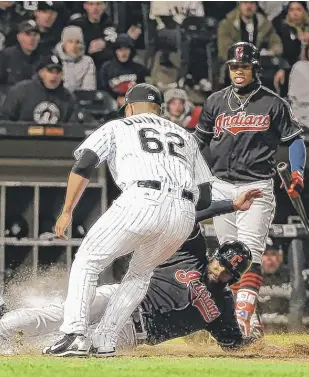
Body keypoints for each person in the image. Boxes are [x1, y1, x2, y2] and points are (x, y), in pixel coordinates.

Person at [42, 83, 213, 357]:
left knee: (87, 261)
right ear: (159, 107)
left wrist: (67, 211)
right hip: (183, 213)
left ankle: (74, 334)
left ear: (130, 107)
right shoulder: (185, 135)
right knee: (140, 273)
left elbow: (84, 164)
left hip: (142, 198)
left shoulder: (118, 126)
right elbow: (204, 196)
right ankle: (106, 340)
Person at [0, 240, 256, 355]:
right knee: (58, 314)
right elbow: (189, 213)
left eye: (230, 270)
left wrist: (248, 341)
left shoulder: (223, 307)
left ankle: (7, 351)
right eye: (222, 262)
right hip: (123, 296)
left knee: (79, 351)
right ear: (214, 255)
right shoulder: (191, 256)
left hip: (136, 331)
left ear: (235, 277)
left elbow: (233, 344)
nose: (222, 270)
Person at [193, 41, 306, 338]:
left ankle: (242, 318)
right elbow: (198, 143)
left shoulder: (272, 103)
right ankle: (250, 320)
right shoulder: (216, 101)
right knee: (227, 256)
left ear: (255, 69)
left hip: (256, 184)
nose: (238, 72)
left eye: (243, 67)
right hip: (221, 186)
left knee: (250, 252)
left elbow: (294, 139)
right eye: (234, 67)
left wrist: (297, 171)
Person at [0, 54, 77, 124]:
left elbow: (73, 127)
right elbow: (5, 121)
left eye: (58, 72)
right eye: (50, 71)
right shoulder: (20, 91)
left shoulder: (68, 97)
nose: (54, 76)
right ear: (41, 72)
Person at [53, 25, 97, 92]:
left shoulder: (87, 61)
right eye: (70, 41)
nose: (74, 46)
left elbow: (89, 89)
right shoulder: (54, 59)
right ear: (64, 43)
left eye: (77, 42)